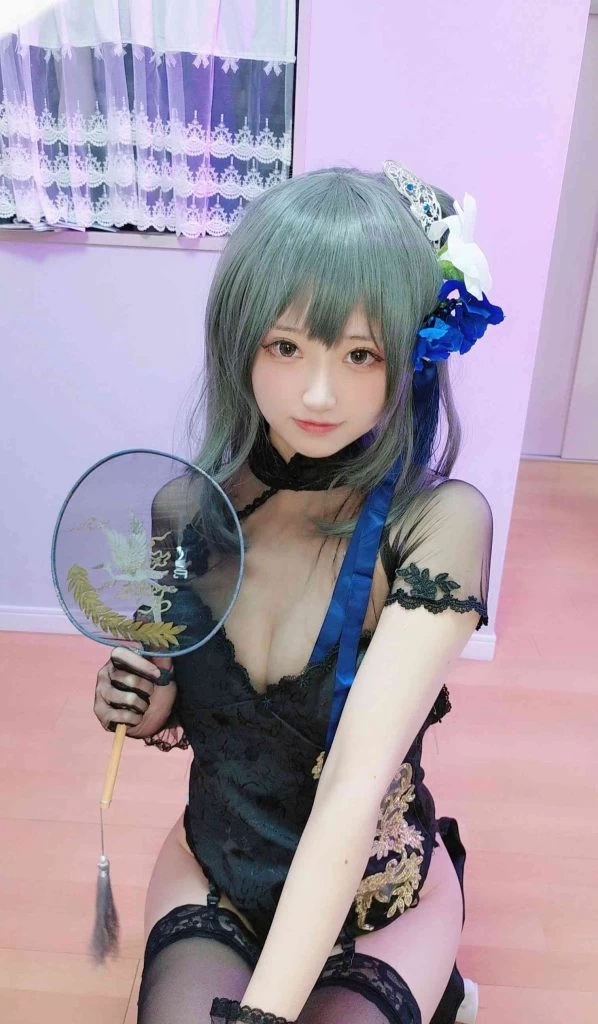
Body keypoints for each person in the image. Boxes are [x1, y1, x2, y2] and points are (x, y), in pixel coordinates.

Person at [93, 163, 499, 1024]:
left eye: (360, 355)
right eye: (287, 347)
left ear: (410, 357)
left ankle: (440, 983)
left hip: (374, 904)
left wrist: (262, 1017)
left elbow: (353, 787)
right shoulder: (188, 510)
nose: (319, 392)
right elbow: (185, 696)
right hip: (221, 868)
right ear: (240, 342)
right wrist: (146, 696)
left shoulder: (437, 525)